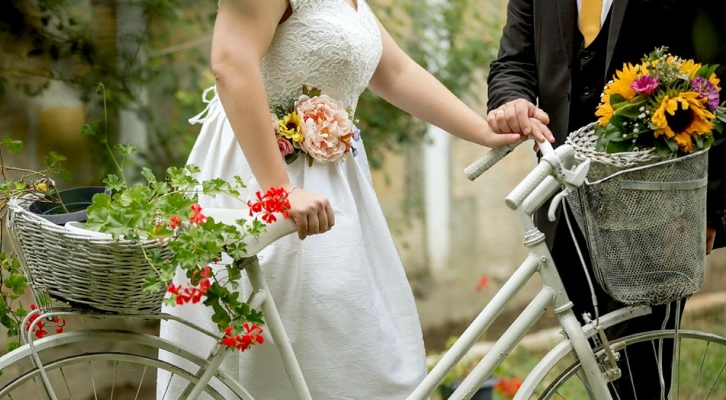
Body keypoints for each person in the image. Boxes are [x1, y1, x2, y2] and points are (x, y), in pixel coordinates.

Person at [157, 1, 552, 399]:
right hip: (261, 178)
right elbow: (230, 62)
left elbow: (395, 73)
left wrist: (482, 132)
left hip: (335, 191)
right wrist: (280, 191)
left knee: (354, 354)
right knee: (283, 349)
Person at [486, 0, 726, 399]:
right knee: (597, 369)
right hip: (563, 205)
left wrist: (709, 209)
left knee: (644, 376)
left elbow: (719, 86)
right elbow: (514, 63)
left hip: (655, 211)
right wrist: (510, 100)